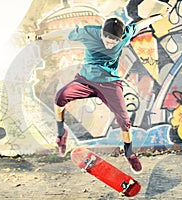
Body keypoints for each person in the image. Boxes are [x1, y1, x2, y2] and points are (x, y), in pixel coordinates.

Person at [54, 8, 171, 174]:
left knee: (124, 120)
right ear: (101, 32)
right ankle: (61, 133)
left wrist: (159, 16)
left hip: (110, 84)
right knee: (60, 97)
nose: (109, 43)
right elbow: (64, 33)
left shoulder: (124, 36)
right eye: (106, 39)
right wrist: (38, 37)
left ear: (120, 38)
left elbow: (139, 25)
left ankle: (129, 153)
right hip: (85, 80)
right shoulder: (89, 33)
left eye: (113, 41)